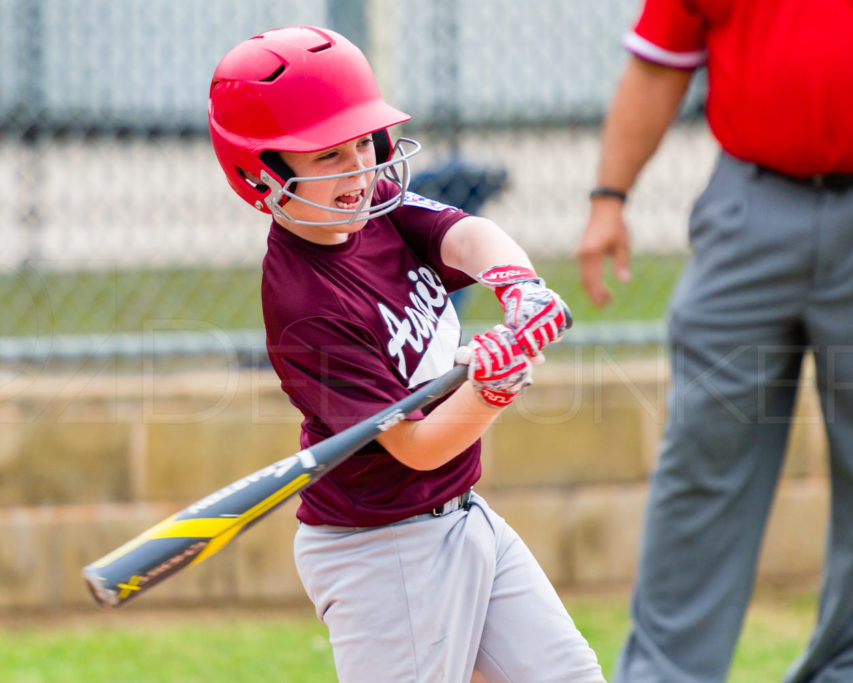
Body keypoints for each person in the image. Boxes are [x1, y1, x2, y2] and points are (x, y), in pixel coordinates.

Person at [208, 26, 604, 683]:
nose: (358, 167)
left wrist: (519, 288)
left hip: (459, 512)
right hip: (382, 549)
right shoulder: (307, 304)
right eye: (329, 154)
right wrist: (492, 390)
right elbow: (416, 445)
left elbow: (466, 235)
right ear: (263, 174)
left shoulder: (376, 210)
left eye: (364, 140)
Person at [577, 2, 853, 681]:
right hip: (750, 201)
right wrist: (608, 197)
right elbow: (657, 66)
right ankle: (665, 672)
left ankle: (852, 668)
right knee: (703, 448)